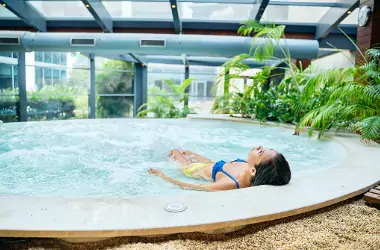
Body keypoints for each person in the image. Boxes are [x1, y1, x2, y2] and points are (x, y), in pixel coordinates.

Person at [148, 146, 291, 192]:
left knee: (173, 151)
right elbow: (219, 167)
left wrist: (162, 175)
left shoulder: (230, 183)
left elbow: (192, 186)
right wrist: (198, 156)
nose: (260, 147)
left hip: (190, 169)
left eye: (260, 152)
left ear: (253, 171)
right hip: (206, 165)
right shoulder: (247, 167)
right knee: (184, 151)